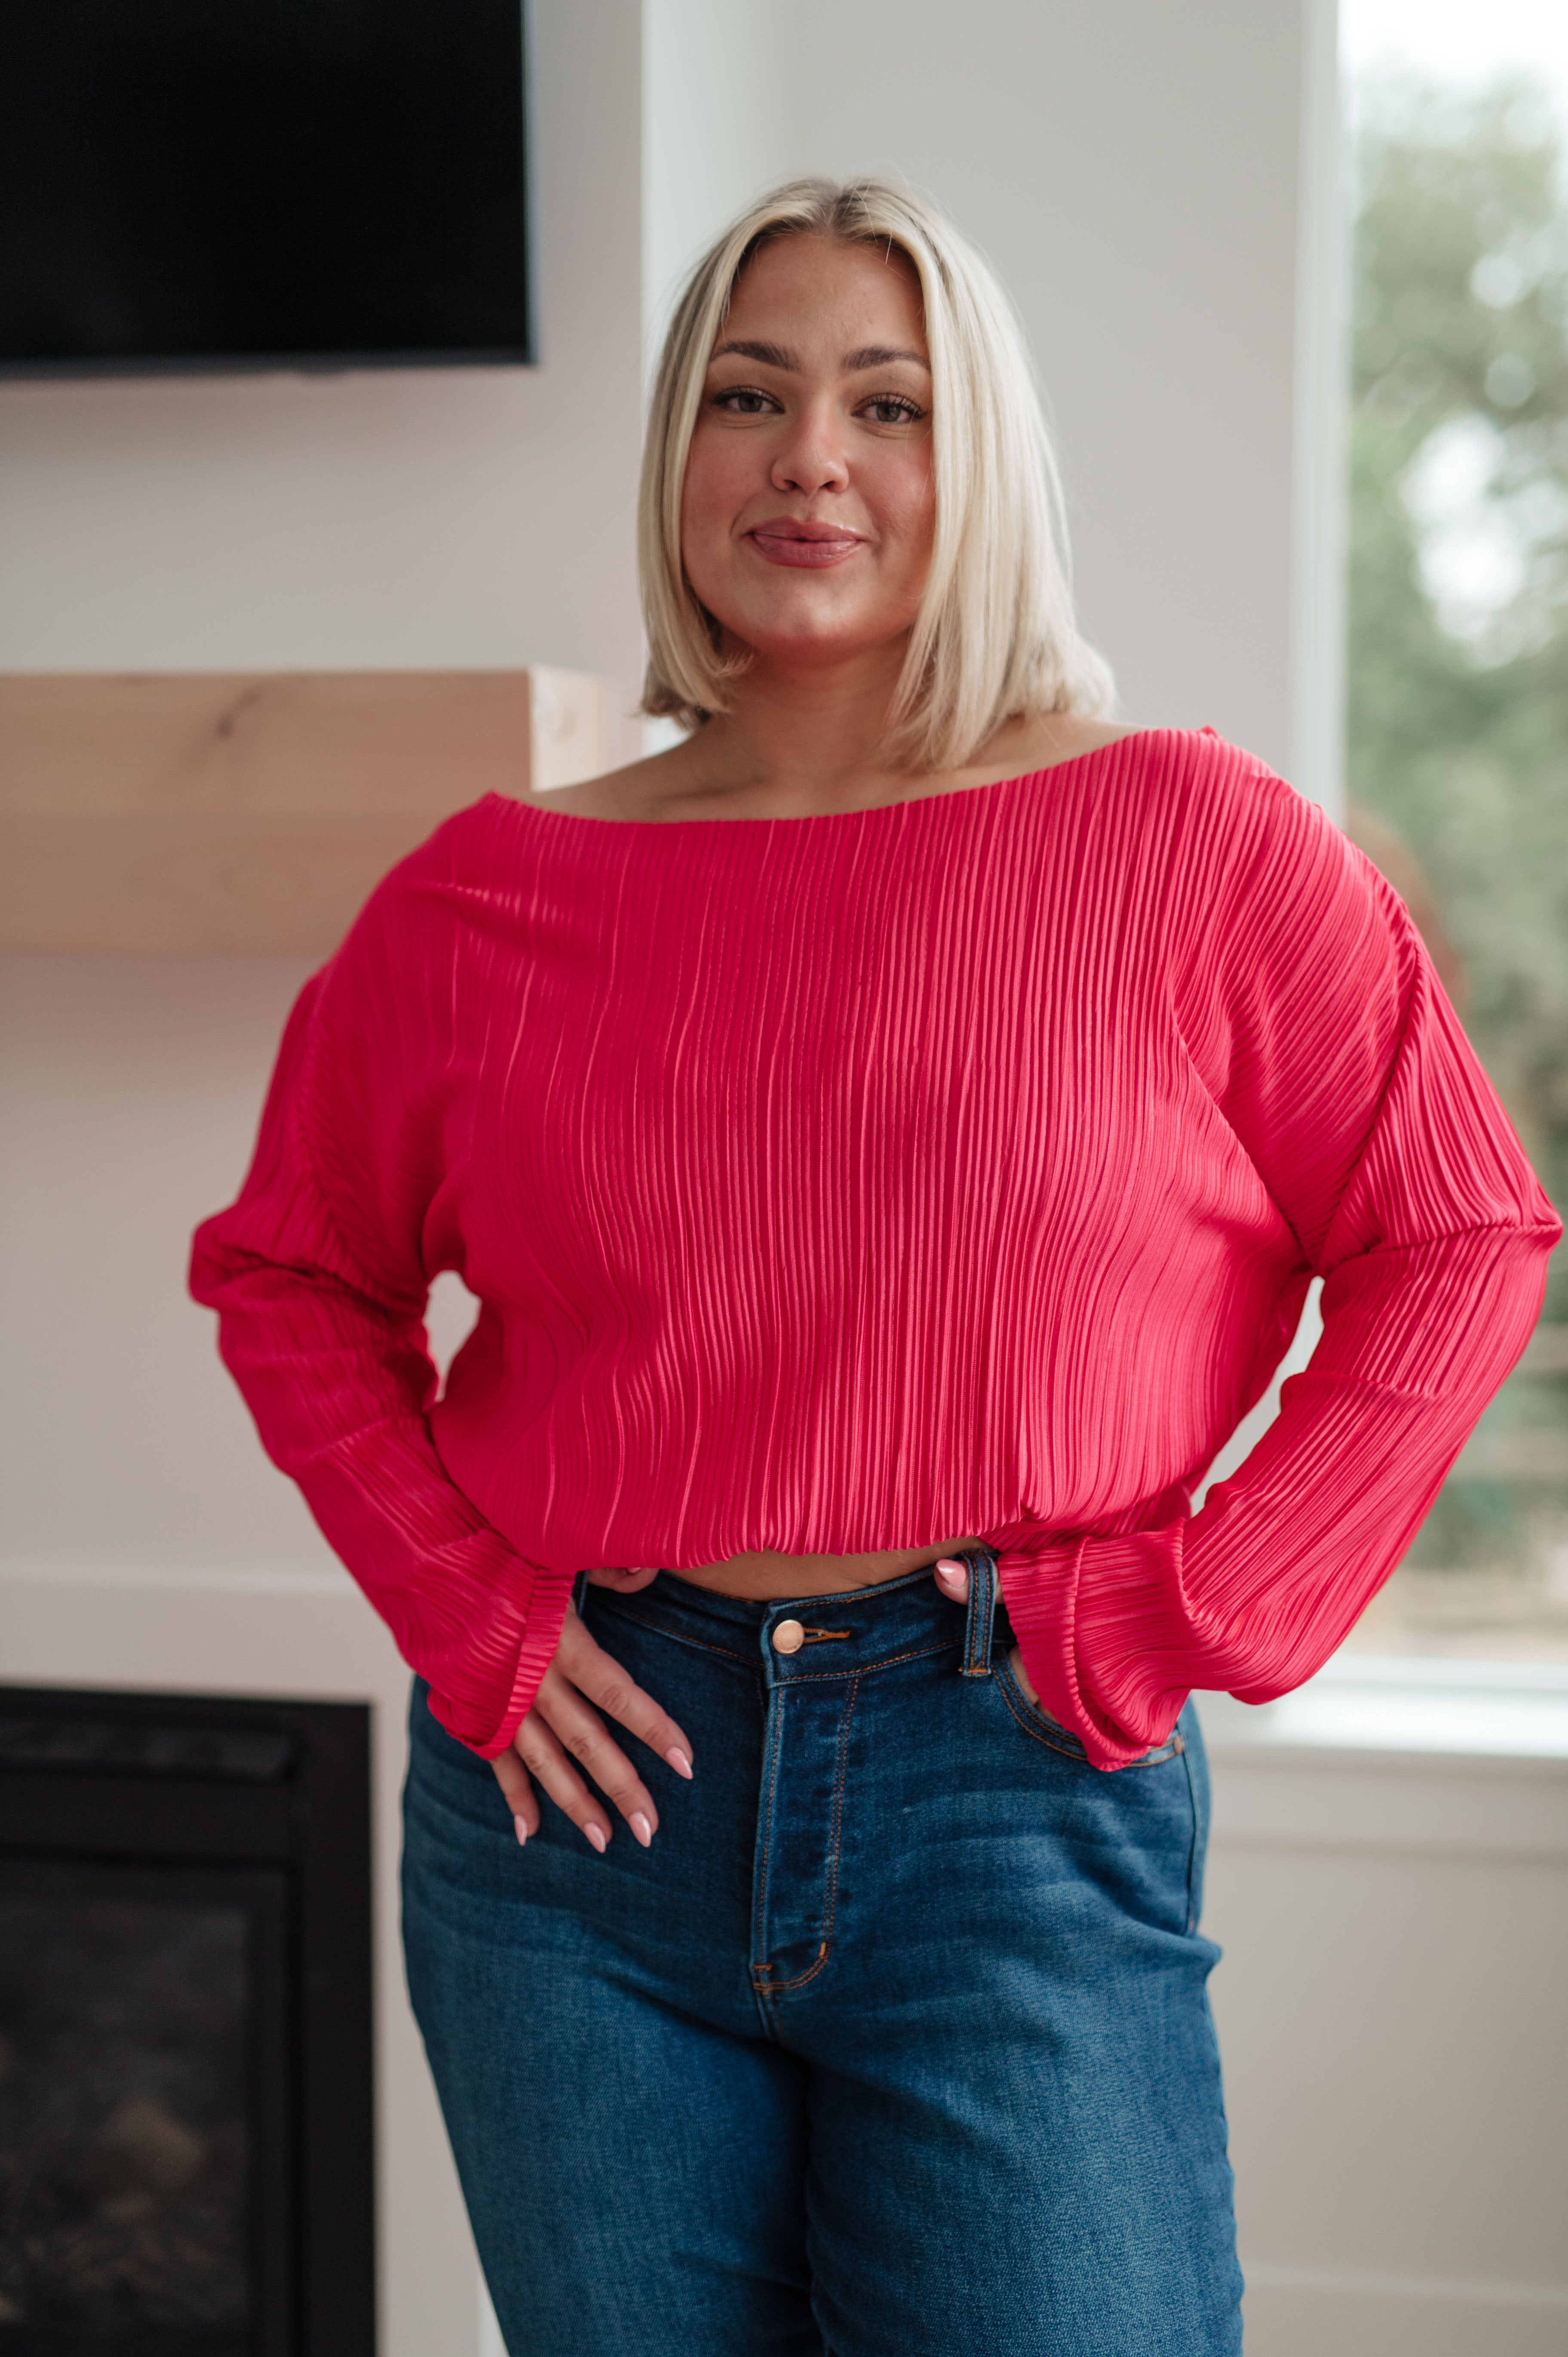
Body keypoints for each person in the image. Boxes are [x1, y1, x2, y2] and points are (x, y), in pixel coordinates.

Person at [189, 178, 1559, 2357]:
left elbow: (1465, 1229)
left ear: (976, 464)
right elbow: (291, 1274)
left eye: (884, 401)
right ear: (678, 461)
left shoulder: (1194, 843)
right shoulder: (484, 901)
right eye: (749, 394)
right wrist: (470, 1617)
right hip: (576, 1830)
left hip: (1007, 1787)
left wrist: (1199, 1604)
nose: (808, 455)